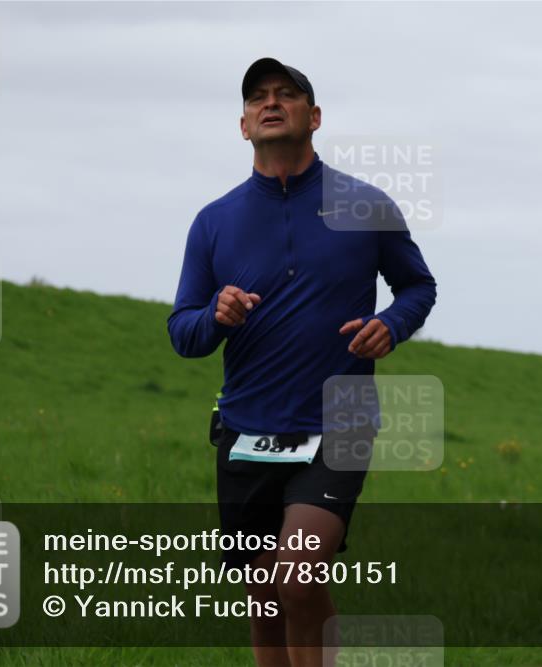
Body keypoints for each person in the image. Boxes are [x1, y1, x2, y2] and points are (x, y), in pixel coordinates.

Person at [167, 58, 437, 666]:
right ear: (242, 125)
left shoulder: (365, 206)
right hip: (245, 428)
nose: (270, 102)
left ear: (313, 117)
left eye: (286, 94)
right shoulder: (213, 222)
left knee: (297, 573)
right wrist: (215, 315)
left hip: (337, 420)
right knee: (263, 597)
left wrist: (389, 326)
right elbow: (182, 331)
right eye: (257, 97)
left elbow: (418, 287)